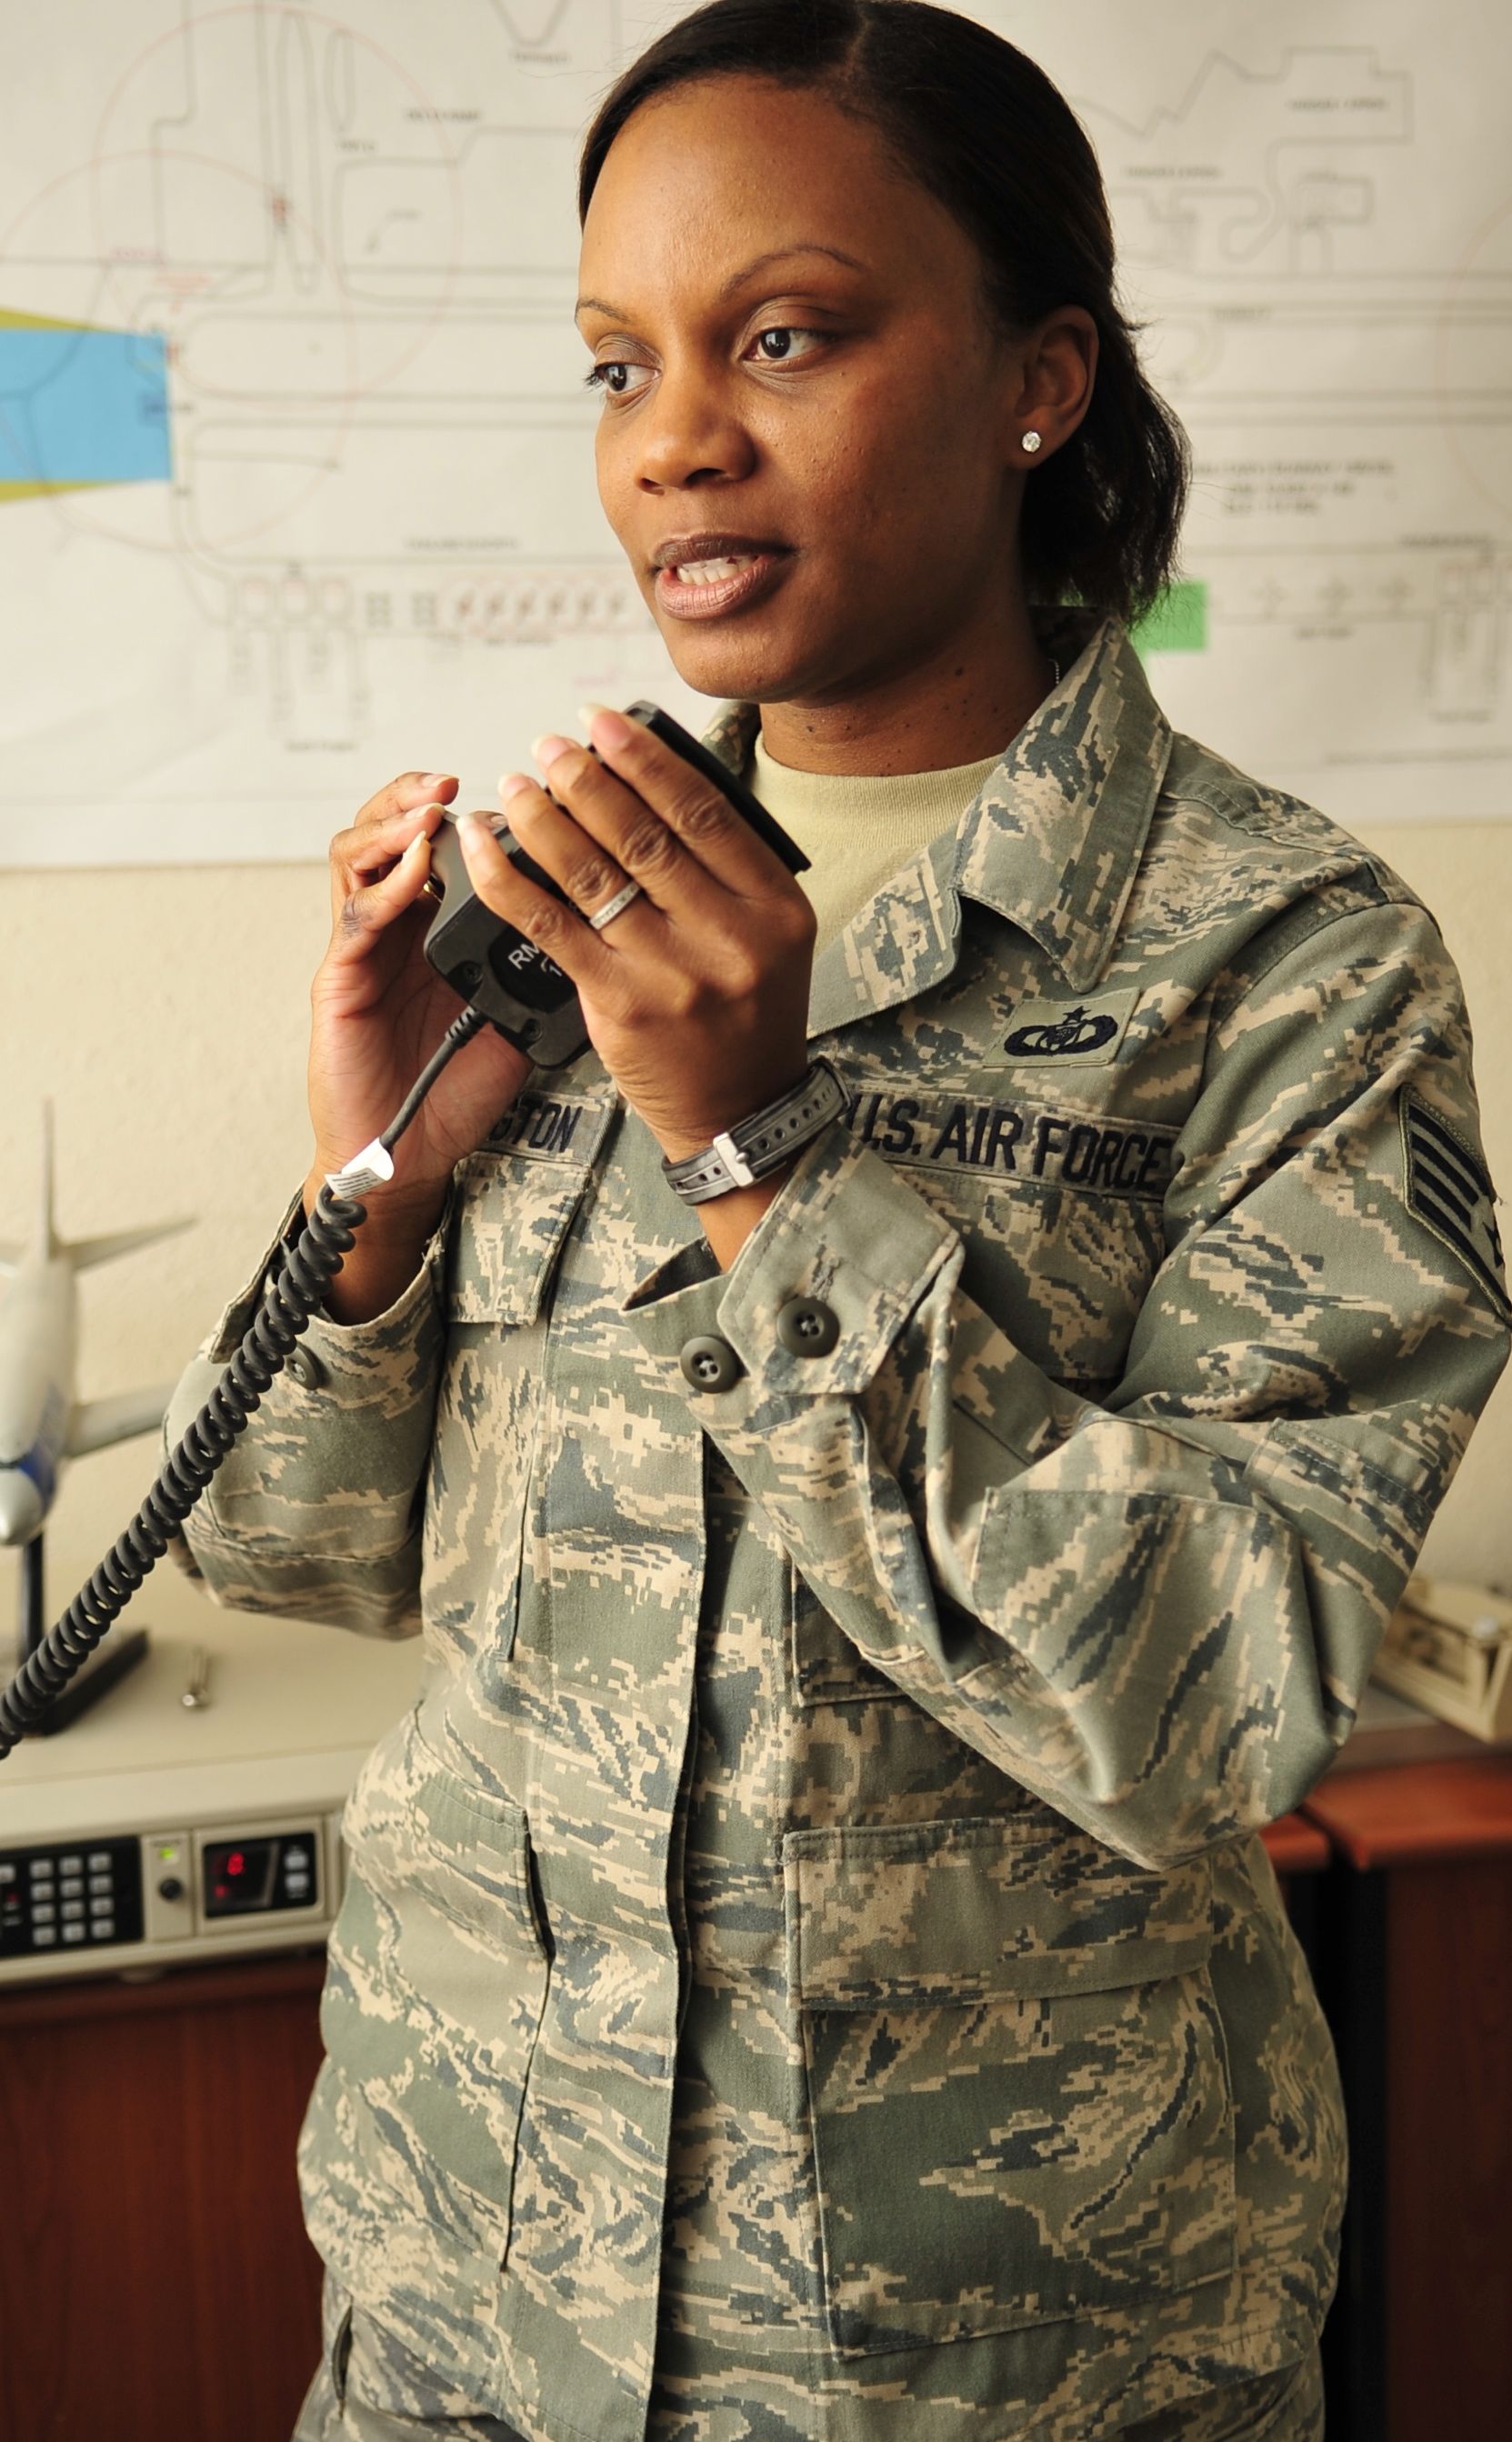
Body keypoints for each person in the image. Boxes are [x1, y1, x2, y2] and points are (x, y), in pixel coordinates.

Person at [165, 5, 1508, 2438]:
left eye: (783, 336)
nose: (673, 436)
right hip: (473, 2295)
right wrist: (373, 1196)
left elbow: (1223, 1704)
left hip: (1001, 2360)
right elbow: (299, 1554)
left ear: (1039, 384)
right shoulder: (561, 902)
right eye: (618, 363)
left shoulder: (1292, 961)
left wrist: (766, 1154)